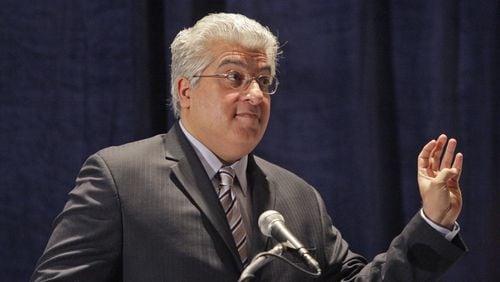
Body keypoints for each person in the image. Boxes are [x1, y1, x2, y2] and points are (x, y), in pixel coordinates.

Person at [31, 13, 467, 281]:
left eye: (263, 81)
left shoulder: (297, 198)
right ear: (185, 90)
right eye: (235, 77)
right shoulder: (120, 178)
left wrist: (432, 222)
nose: (255, 96)